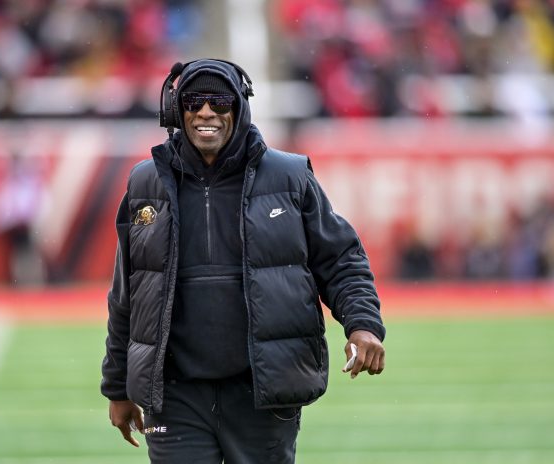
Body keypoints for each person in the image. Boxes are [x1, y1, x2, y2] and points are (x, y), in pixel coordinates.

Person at [101, 59, 386, 463]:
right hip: (175, 395)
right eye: (195, 101)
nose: (206, 112)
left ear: (238, 106)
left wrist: (363, 325)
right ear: (176, 109)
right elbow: (128, 292)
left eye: (219, 101)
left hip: (262, 392)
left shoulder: (290, 177)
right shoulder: (145, 182)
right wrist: (117, 386)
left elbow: (340, 261)